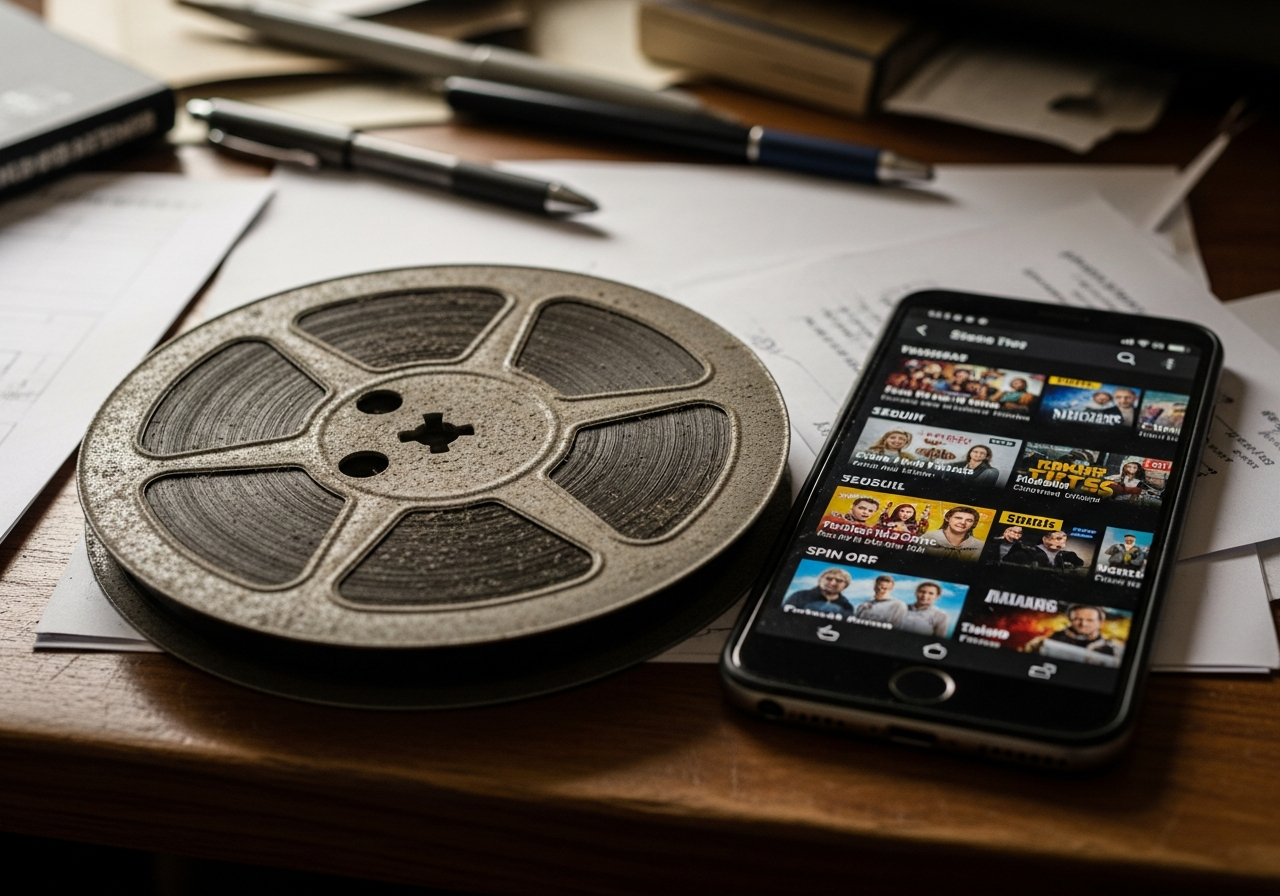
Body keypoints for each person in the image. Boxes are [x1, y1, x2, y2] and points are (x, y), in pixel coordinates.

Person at [1026, 605, 1125, 661]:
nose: (1083, 624)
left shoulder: (1115, 650)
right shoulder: (1045, 641)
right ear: (1070, 619)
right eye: (1078, 619)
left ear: (1101, 622)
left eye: (1090, 620)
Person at [918, 506, 985, 559]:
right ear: (947, 518)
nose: (963, 522)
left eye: (969, 520)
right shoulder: (927, 538)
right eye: (958, 518)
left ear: (973, 524)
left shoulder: (980, 546)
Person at [1007, 530, 1086, 572]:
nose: (1062, 543)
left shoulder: (1068, 555)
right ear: (1045, 539)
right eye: (1058, 539)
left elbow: (1080, 564)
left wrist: (1070, 567)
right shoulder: (1027, 550)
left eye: (1064, 540)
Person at [784, 568, 855, 613]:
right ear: (820, 580)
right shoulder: (799, 596)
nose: (833, 583)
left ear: (845, 585)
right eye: (828, 579)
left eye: (839, 580)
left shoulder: (847, 606)